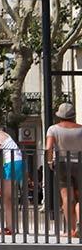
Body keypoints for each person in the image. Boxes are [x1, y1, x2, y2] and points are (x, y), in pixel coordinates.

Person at [46, 102, 81, 239]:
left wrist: (49, 161)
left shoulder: (53, 129)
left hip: (61, 164)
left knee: (67, 198)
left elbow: (48, 148)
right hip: (80, 163)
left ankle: (71, 230)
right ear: (73, 116)